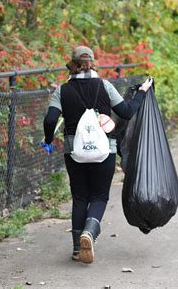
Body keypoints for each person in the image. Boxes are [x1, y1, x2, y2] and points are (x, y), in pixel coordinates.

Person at [43, 46, 153, 264]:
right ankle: (90, 233)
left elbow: (49, 121)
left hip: (74, 152)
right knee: (99, 196)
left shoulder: (62, 91)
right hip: (105, 151)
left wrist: (48, 140)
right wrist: (142, 92)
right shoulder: (105, 86)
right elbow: (127, 112)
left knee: (80, 197)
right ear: (92, 62)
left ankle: (77, 249)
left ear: (72, 64)